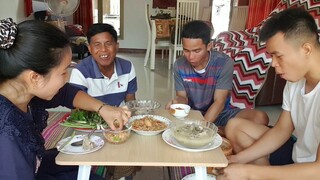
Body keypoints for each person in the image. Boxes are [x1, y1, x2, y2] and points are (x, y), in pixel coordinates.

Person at [0, 18, 131, 179]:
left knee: (83, 159)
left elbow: (66, 93)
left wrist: (103, 108)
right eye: (63, 72)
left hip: (35, 164)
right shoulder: (6, 133)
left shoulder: (24, 91)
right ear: (35, 77)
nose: (67, 77)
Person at [218, 8, 320, 179]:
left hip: (313, 170)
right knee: (235, 126)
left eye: (278, 56)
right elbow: (282, 130)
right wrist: (237, 159)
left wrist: (249, 172)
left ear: (306, 49)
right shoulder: (295, 81)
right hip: (298, 154)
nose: (273, 64)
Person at [165, 20, 269, 126]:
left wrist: (200, 127)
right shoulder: (179, 65)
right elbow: (182, 97)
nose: (191, 57)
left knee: (260, 118)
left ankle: (217, 129)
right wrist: (177, 102)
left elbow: (219, 102)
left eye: (197, 51)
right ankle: (219, 131)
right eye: (186, 50)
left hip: (221, 113)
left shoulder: (224, 63)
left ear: (209, 46)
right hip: (194, 114)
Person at [69, 23, 137, 107]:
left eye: (108, 44)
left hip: (120, 117)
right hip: (91, 119)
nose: (103, 49)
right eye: (97, 45)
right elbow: (76, 110)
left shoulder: (128, 67)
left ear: (116, 46)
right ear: (90, 48)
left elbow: (131, 104)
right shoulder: (80, 72)